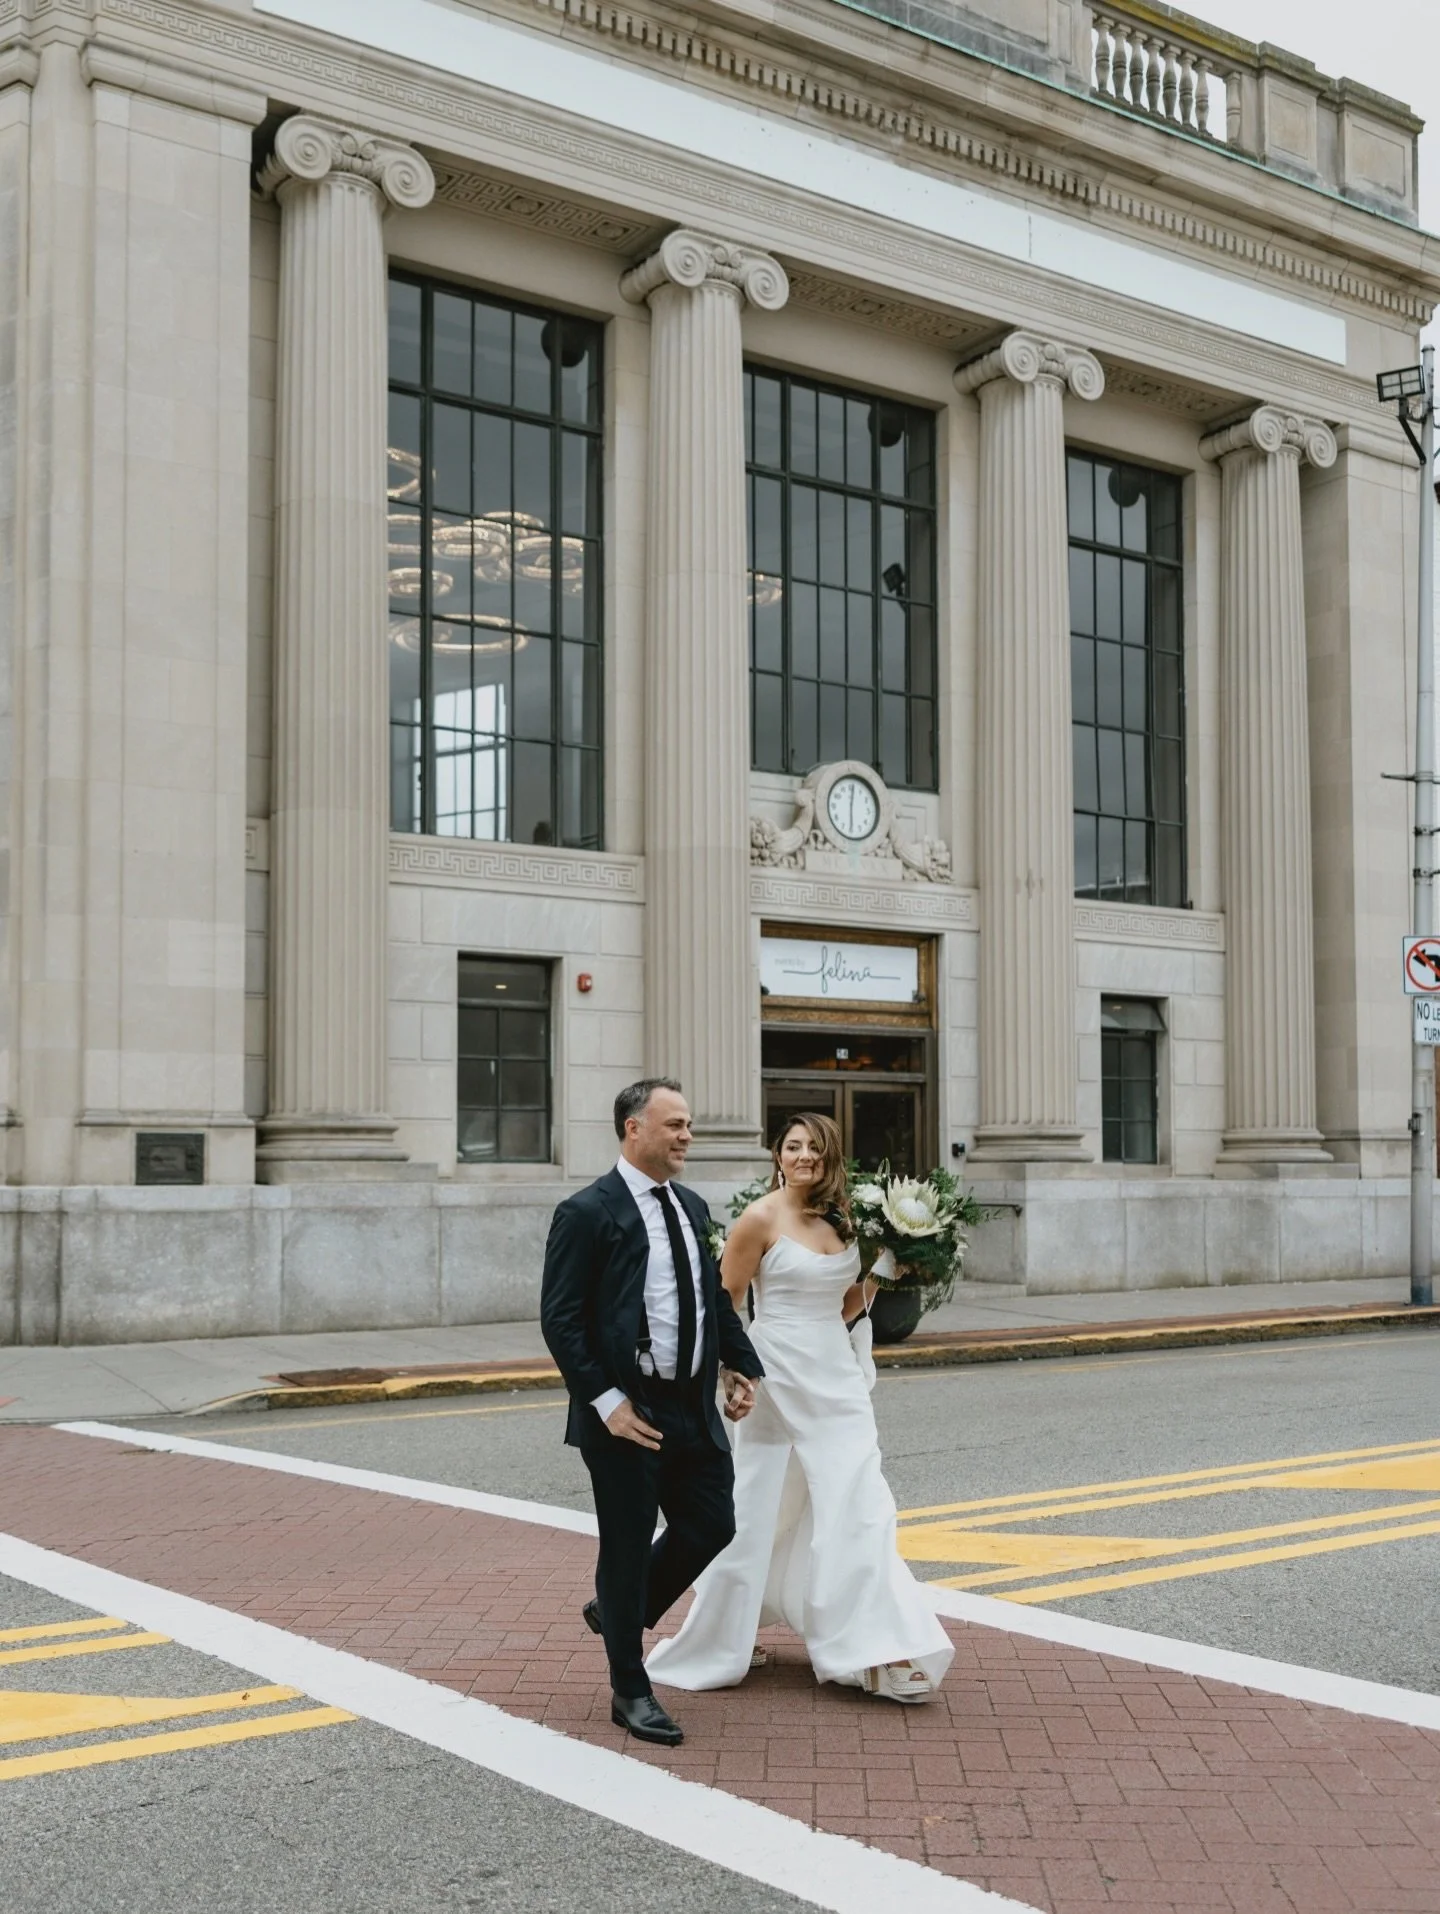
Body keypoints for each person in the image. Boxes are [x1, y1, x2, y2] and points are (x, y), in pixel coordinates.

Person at [646, 1113, 954, 1704]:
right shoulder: (758, 1218)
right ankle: (739, 1634)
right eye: (793, 1146)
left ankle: (860, 1640)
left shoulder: (842, 1219)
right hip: (777, 1374)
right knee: (761, 1502)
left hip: (834, 1376)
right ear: (777, 1154)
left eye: (815, 1147)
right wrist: (731, 1375)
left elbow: (842, 1307)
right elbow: (725, 1305)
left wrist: (887, 1269)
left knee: (850, 1502)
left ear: (830, 1154)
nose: (803, 1155)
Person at [540, 1077, 765, 1747]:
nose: (687, 1135)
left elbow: (710, 1299)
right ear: (634, 1130)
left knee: (712, 1523)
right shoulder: (586, 1213)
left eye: (688, 1124)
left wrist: (740, 1362)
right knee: (628, 1540)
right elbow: (562, 1320)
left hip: (690, 1403)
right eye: (675, 1125)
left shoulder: (692, 1206)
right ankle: (630, 1690)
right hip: (625, 1410)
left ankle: (618, 1608)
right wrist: (605, 1403)